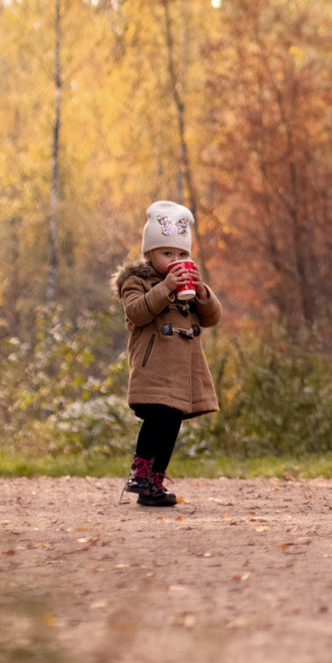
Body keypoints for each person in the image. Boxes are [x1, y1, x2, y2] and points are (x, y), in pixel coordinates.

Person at [114, 201, 221, 509]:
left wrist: (202, 293)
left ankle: (154, 480)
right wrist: (165, 289)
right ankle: (140, 471)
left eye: (182, 254)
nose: (176, 260)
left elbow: (212, 317)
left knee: (172, 421)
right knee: (158, 416)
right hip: (153, 368)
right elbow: (136, 313)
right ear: (150, 253)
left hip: (182, 374)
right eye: (167, 254)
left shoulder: (188, 284)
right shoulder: (136, 282)